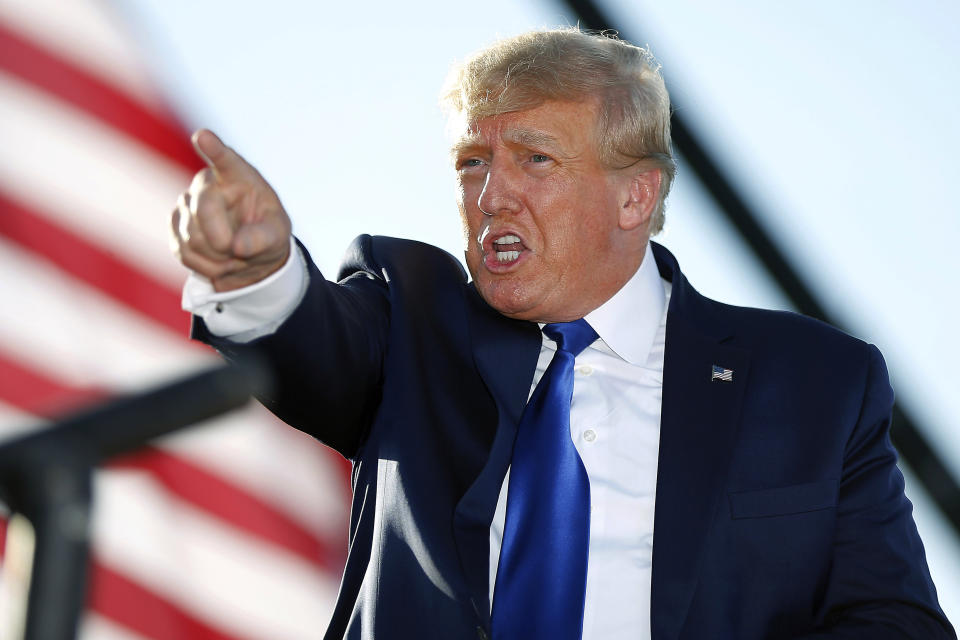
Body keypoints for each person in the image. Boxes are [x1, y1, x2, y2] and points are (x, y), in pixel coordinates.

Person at [170, 28, 955, 640]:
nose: (491, 195)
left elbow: (895, 623)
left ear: (634, 196)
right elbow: (313, 341)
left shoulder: (816, 384)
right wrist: (257, 268)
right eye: (471, 161)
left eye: (534, 160)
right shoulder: (412, 319)